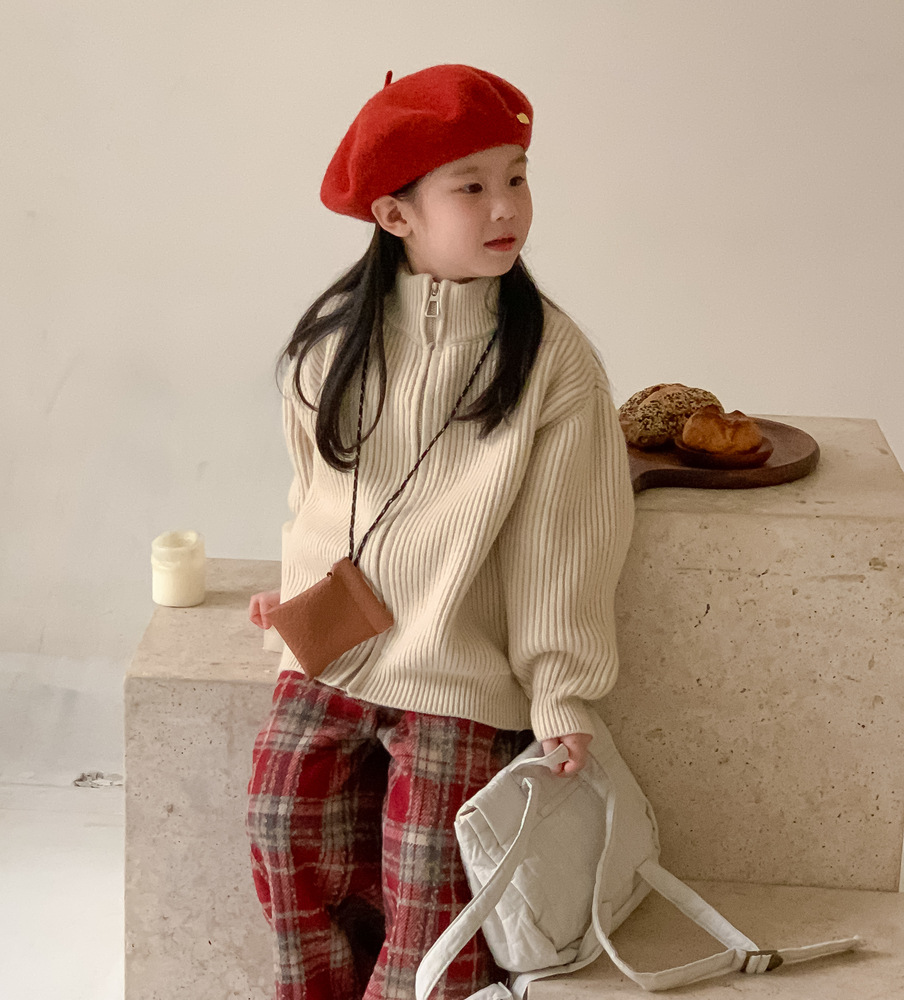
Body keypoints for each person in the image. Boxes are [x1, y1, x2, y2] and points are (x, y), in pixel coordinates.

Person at [246, 64, 635, 1000]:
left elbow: (565, 546)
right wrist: (293, 597)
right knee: (278, 825)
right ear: (395, 215)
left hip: (457, 671)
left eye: (518, 177)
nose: (507, 206)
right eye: (472, 186)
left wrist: (562, 692)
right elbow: (316, 493)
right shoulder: (330, 343)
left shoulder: (553, 362)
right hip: (333, 654)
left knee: (430, 886)